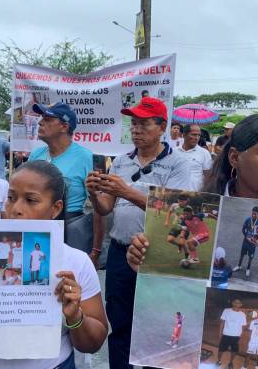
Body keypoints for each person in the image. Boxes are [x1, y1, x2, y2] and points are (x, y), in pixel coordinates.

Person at [85, 96, 192, 368]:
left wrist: (126, 191)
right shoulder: (121, 161)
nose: (136, 130)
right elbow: (107, 208)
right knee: (119, 323)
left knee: (155, 322)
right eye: (133, 124)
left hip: (155, 254)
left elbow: (176, 211)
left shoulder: (178, 163)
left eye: (144, 124)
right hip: (121, 252)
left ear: (162, 126)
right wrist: (95, 194)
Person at [0, 160, 108, 369]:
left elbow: (94, 343)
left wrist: (75, 316)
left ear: (55, 208)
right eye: (11, 198)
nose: (16, 209)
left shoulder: (76, 261)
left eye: (31, 200)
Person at [28, 102, 94, 255]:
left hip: (69, 230)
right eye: (41, 118)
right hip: (36, 227)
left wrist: (96, 249)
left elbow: (99, 207)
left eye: (48, 119)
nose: (40, 122)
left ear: (64, 126)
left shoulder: (85, 157)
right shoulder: (35, 155)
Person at [176, 124, 212, 189]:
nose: (197, 138)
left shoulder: (204, 153)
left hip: (194, 194)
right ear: (184, 135)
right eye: (194, 134)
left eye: (199, 135)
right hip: (174, 192)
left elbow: (208, 176)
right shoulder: (174, 152)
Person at [216, 298, 247, 369]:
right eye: (235, 302)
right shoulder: (226, 310)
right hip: (226, 334)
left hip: (236, 336)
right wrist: (220, 333)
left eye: (238, 303)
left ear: (241, 305)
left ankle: (230, 362)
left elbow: (243, 327)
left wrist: (241, 337)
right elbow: (222, 322)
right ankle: (219, 361)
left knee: (234, 351)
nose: (236, 304)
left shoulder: (242, 314)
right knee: (221, 349)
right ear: (232, 303)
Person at [234, 206, 258, 277]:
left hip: (253, 243)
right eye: (253, 213)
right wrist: (246, 237)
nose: (253, 215)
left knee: (251, 257)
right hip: (246, 241)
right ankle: (239, 266)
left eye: (255, 214)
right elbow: (243, 229)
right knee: (242, 254)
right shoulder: (248, 220)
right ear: (251, 212)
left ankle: (248, 269)